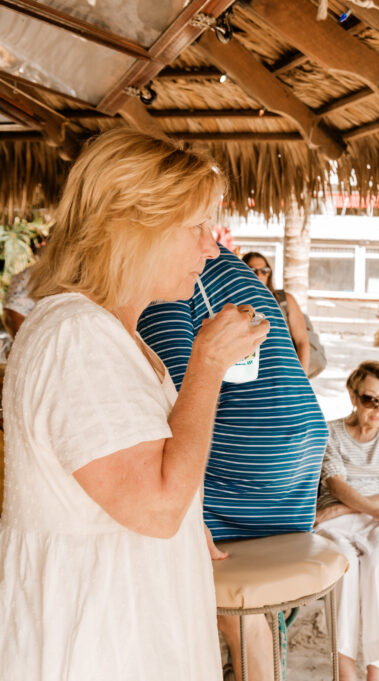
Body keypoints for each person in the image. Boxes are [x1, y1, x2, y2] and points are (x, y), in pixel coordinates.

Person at [0, 128, 268, 680]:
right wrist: (207, 367)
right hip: (97, 641)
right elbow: (156, 507)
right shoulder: (77, 336)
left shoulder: (111, 334)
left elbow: (143, 484)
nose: (211, 247)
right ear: (130, 226)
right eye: (195, 227)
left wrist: (191, 519)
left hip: (121, 627)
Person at [138, 246, 330, 681]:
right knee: (247, 601)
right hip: (293, 453)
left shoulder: (171, 271)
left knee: (174, 549)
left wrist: (188, 513)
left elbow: (176, 397)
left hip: (251, 455)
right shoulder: (224, 263)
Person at [315, 361, 379, 681]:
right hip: (338, 524)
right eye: (371, 399)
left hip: (372, 519)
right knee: (343, 565)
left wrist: (353, 510)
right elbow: (336, 485)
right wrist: (377, 510)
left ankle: (377, 672)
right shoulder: (330, 432)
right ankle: (345, 673)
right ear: (353, 396)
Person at [241, 250, 312, 375]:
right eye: (252, 270)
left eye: (264, 271)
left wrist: (302, 378)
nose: (259, 274)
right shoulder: (236, 304)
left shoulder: (284, 300)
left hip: (285, 374)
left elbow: (302, 342)